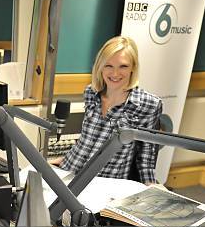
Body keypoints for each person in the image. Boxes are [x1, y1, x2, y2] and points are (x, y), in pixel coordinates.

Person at [57, 36, 162, 184]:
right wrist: (63, 160)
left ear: (133, 67)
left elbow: (145, 158)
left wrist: (151, 188)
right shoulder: (90, 92)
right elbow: (87, 140)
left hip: (105, 184)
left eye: (123, 66)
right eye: (108, 66)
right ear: (100, 66)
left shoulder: (149, 104)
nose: (115, 73)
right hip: (70, 171)